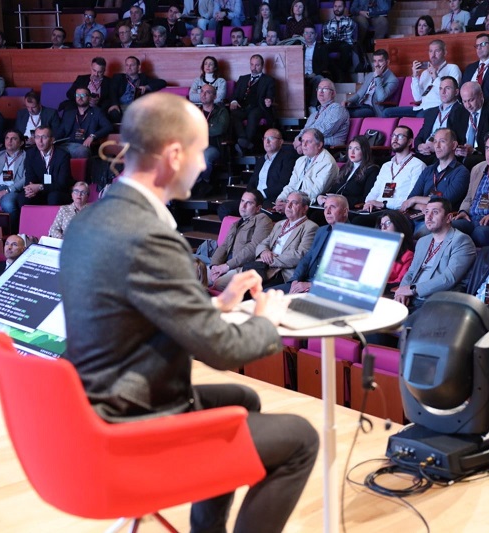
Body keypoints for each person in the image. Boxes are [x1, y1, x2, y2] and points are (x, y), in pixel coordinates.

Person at [59, 92, 317, 532]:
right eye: (199, 153)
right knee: (301, 439)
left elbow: (132, 308)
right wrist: (265, 320)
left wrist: (214, 303)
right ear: (175, 154)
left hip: (90, 405)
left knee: (243, 400)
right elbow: (221, 351)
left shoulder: (89, 219)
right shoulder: (150, 236)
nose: (202, 166)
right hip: (133, 424)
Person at [395, 197, 476, 310]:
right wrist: (401, 292)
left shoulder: (461, 241)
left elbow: (449, 278)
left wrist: (413, 289)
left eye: (435, 212)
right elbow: (411, 272)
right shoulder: (422, 241)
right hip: (412, 298)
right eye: (427, 212)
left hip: (438, 302)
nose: (428, 217)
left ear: (448, 218)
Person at [402, 128, 469, 237]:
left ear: (454, 145)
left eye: (442, 141)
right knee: (390, 224)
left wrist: (415, 200)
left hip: (437, 220)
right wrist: (422, 207)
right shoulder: (428, 169)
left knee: (417, 233)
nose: (437, 146)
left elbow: (444, 201)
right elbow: (410, 198)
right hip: (417, 216)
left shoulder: (461, 172)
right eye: (435, 141)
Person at [279, 194, 350, 293]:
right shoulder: (321, 230)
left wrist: (311, 285)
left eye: (332, 207)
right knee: (266, 293)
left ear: (345, 211)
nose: (328, 212)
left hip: (324, 288)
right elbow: (307, 258)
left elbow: (341, 274)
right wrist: (295, 279)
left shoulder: (353, 236)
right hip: (305, 282)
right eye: (325, 208)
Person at [356, 125, 427, 225]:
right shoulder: (386, 166)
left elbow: (410, 199)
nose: (395, 139)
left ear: (410, 142)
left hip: (399, 212)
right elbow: (375, 191)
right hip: (378, 209)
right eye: (393, 135)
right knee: (350, 217)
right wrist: (369, 203)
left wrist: (384, 204)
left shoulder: (418, 166)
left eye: (400, 136)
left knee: (359, 221)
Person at [209, 189, 274, 290]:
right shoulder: (236, 224)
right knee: (195, 274)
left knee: (218, 283)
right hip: (225, 265)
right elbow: (224, 245)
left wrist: (227, 266)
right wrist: (214, 266)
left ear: (258, 208)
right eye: (242, 201)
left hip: (241, 268)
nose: (243, 206)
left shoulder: (262, 220)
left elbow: (254, 247)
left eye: (249, 203)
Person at [250, 190, 319, 285]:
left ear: (304, 208)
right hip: (265, 267)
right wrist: (264, 252)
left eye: (294, 203)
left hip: (283, 272)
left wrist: (270, 260)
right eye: (287, 202)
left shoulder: (311, 227)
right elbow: (264, 243)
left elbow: (300, 255)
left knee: (254, 289)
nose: (288, 206)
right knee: (240, 285)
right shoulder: (279, 224)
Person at [383, 40, 462, 119]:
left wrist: (436, 77)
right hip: (422, 107)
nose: (433, 55)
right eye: (431, 51)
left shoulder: (453, 68)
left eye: (437, 51)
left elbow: (451, 94)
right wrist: (415, 76)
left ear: (445, 53)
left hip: (438, 107)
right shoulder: (425, 73)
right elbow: (417, 98)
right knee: (387, 112)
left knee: (420, 116)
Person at [276, 128, 338, 210]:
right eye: (303, 141)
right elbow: (292, 185)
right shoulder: (300, 160)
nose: (304, 145)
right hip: (295, 203)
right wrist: (281, 199)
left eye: (308, 141)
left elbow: (315, 192)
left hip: (313, 206)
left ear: (319, 145)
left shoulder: (328, 163)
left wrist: (290, 204)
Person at [315, 135, 379, 209]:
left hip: (350, 208)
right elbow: (333, 190)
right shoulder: (345, 168)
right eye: (350, 148)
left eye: (357, 149)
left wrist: (341, 200)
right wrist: (321, 197)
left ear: (364, 151)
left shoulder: (372, 170)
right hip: (334, 206)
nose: (352, 152)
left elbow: (366, 198)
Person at [455, 81, 489, 170]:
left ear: (480, 95)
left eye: (471, 100)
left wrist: (474, 150)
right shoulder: (459, 112)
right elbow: (453, 136)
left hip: (484, 154)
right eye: (464, 101)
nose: (468, 105)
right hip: (462, 155)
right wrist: (456, 149)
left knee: (470, 161)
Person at [229, 54, 275, 153]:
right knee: (234, 114)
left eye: (257, 65)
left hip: (259, 107)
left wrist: (269, 100)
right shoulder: (243, 78)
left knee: (253, 115)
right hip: (243, 107)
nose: (254, 68)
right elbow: (235, 95)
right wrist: (234, 101)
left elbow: (270, 94)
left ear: (262, 66)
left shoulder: (268, 80)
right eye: (252, 65)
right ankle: (244, 141)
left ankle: (244, 144)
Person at [20, 125, 73, 208]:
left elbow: (62, 184)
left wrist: (40, 187)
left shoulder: (62, 155)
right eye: (37, 137)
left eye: (44, 137)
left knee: (53, 197)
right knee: (23, 198)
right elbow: (29, 177)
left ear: (52, 140)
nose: (40, 141)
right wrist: (30, 189)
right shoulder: (31, 154)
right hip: (39, 193)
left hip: (58, 191)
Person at [414, 76, 464, 163]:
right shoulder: (431, 112)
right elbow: (420, 137)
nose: (443, 92)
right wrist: (420, 147)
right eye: (441, 88)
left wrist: (436, 146)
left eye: (447, 88)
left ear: (456, 92)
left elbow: (459, 139)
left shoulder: (462, 111)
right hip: (424, 153)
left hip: (444, 156)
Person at [56, 88, 113, 159]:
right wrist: (52, 139)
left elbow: (108, 127)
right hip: (67, 144)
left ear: (89, 98)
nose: (80, 98)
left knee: (81, 151)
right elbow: (61, 131)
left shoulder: (97, 112)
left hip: (84, 146)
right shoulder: (69, 113)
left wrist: (93, 136)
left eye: (83, 95)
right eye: (77, 95)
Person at [108, 56, 168, 123]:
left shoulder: (143, 78)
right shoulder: (118, 77)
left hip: (136, 108)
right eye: (127, 65)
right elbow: (112, 91)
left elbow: (162, 82)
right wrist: (114, 104)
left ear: (138, 67)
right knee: (113, 113)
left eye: (132, 65)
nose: (129, 67)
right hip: (121, 106)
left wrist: (146, 87)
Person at [246, 129, 296, 205]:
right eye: (265, 138)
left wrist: (260, 195)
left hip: (272, 199)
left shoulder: (287, 158)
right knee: (228, 207)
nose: (267, 141)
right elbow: (252, 182)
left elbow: (283, 184)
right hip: (255, 199)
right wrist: (249, 195)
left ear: (280, 142)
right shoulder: (261, 160)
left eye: (271, 138)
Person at [295, 79, 349, 149]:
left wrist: (302, 140)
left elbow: (325, 131)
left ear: (333, 93)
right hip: (312, 146)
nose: (321, 91)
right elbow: (305, 129)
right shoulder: (314, 114)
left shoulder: (337, 109)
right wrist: (298, 139)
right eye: (319, 88)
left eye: (325, 89)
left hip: (330, 148)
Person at [195, 84, 230, 194]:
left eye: (208, 92)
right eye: (202, 91)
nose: (203, 94)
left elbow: (219, 129)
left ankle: (204, 180)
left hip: (214, 146)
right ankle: (201, 183)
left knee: (205, 157)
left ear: (215, 96)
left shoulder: (221, 111)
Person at [343, 49, 398, 118]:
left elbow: (381, 98)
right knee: (340, 109)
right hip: (360, 105)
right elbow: (359, 94)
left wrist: (378, 77)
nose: (377, 64)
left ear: (387, 62)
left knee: (351, 113)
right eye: (375, 61)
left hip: (373, 108)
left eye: (380, 61)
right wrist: (348, 100)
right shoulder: (370, 75)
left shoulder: (392, 80)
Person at [461, 34, 489, 103]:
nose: (479, 48)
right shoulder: (470, 68)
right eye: (477, 46)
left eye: (483, 44)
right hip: (467, 105)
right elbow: (462, 89)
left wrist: (478, 101)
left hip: (488, 105)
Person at [378, 210, 415, 291]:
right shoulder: (377, 249)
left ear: (398, 225)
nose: (383, 228)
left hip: (387, 291)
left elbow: (401, 281)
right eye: (382, 225)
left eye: (388, 223)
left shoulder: (407, 255)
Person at [301, 25, 330, 109]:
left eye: (311, 33)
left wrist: (315, 73)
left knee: (319, 78)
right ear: (303, 35)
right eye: (306, 33)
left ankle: (312, 106)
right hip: (301, 76)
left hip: (314, 75)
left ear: (316, 35)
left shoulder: (322, 48)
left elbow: (325, 64)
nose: (309, 35)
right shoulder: (299, 48)